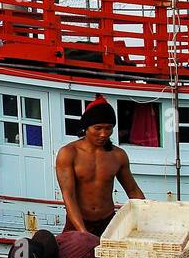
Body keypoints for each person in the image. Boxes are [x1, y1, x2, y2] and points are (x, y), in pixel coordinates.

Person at [55, 95, 144, 237]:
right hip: (78, 222)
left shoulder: (118, 155)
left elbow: (133, 191)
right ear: (86, 128)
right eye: (98, 128)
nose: (103, 134)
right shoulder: (68, 153)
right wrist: (83, 232)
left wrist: (147, 216)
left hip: (108, 222)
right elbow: (69, 196)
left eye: (108, 128)